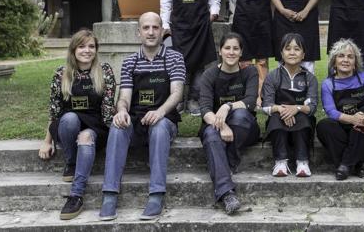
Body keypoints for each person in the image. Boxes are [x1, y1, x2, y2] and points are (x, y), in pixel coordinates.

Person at [99, 12, 185, 221]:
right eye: (146, 28)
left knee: (159, 126)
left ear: (162, 31)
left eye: (155, 27)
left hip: (165, 120)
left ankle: (156, 194)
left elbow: (177, 93)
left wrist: (159, 112)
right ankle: (109, 194)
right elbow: (124, 97)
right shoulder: (130, 62)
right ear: (139, 33)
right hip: (136, 119)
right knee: (117, 126)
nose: (151, 32)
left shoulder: (175, 58)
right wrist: (121, 111)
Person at [38, 29, 116, 220]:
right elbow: (54, 110)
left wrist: (117, 137)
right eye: (81, 46)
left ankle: (76, 195)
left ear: (96, 50)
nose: (86, 51)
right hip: (67, 125)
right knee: (70, 118)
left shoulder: (104, 71)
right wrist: (47, 142)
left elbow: (107, 110)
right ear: (73, 50)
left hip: (95, 125)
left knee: (86, 136)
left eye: (91, 46)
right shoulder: (61, 74)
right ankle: (71, 161)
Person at [198, 32, 260, 215]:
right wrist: (223, 126)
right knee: (210, 134)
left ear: (241, 52)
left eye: (235, 48)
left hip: (245, 127)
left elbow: (250, 101)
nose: (231, 52)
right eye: (227, 48)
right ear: (220, 51)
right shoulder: (210, 75)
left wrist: (227, 106)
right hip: (216, 127)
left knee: (240, 115)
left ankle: (225, 160)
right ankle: (227, 193)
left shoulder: (250, 71)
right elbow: (205, 109)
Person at [160, 0, 220, 116]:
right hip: (179, 25)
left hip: (201, 24)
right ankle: (177, 100)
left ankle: (194, 99)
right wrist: (165, 23)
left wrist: (213, 14)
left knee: (200, 63)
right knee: (178, 62)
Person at [317, 39, 364, 180]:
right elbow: (331, 112)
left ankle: (345, 164)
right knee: (324, 125)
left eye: (350, 56)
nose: (345, 60)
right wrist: (353, 119)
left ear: (355, 62)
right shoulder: (328, 84)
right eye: (341, 56)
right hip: (344, 128)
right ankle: (359, 164)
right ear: (334, 62)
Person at [261, 33, 318, 177]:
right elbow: (266, 105)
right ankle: (280, 162)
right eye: (288, 48)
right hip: (279, 121)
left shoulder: (310, 78)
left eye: (297, 49)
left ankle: (302, 162)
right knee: (274, 117)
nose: (292, 52)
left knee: (304, 117)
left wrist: (296, 108)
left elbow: (312, 107)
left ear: (303, 54)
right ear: (281, 53)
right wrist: (281, 109)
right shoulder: (272, 76)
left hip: (302, 121)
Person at [227, 0, 275, 104]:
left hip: (263, 19)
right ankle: (248, 95)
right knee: (244, 59)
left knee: (262, 60)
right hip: (242, 19)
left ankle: (262, 96)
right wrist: (236, 15)